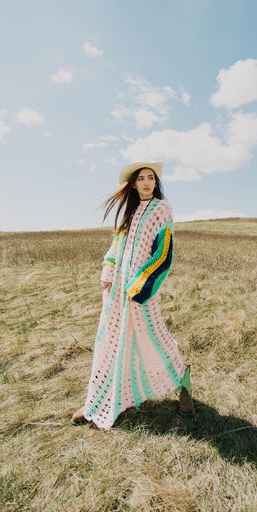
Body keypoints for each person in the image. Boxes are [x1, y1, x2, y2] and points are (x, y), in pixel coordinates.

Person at [71, 161, 194, 430]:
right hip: (117, 290)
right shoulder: (129, 211)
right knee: (111, 341)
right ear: (134, 184)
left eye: (151, 178)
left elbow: (165, 252)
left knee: (155, 338)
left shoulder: (163, 208)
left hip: (141, 291)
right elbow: (117, 244)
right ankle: (98, 400)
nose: (147, 182)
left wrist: (142, 285)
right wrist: (109, 269)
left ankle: (183, 381)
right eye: (141, 179)